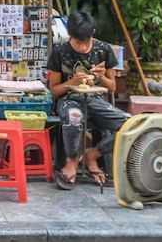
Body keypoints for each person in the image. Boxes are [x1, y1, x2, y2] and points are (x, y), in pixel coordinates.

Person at [47, 10, 129, 190]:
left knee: (130, 124)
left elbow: (112, 87)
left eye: (87, 43)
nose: (84, 48)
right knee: (74, 118)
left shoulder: (103, 49)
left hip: (95, 101)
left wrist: (101, 77)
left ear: (93, 34)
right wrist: (70, 83)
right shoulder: (60, 52)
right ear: (70, 35)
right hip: (68, 101)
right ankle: (71, 162)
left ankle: (92, 155)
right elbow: (53, 90)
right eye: (78, 43)